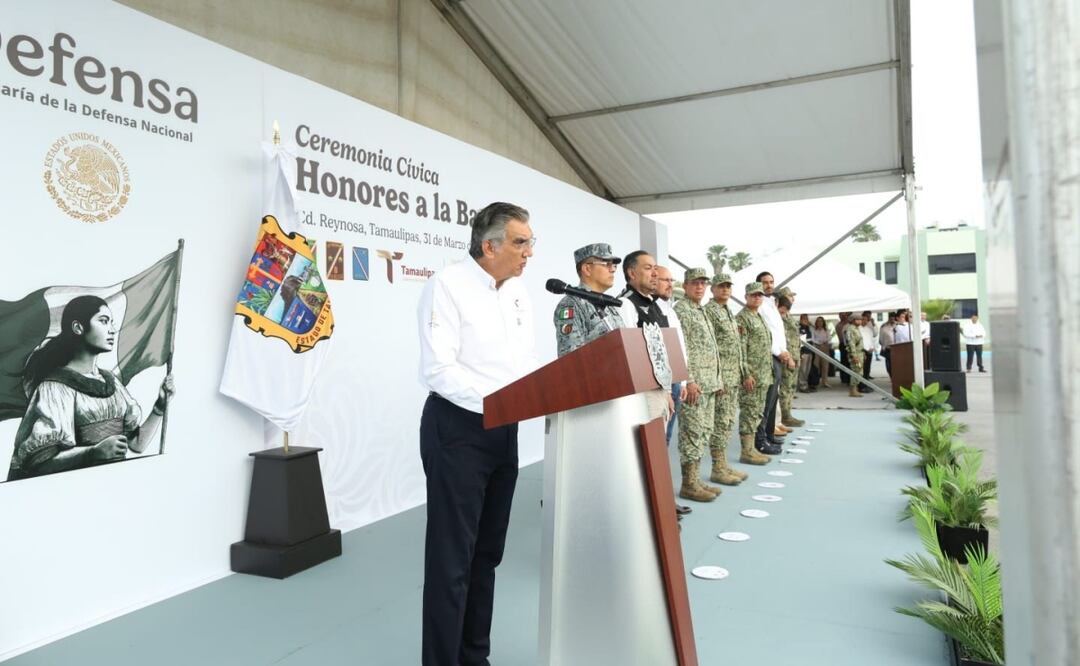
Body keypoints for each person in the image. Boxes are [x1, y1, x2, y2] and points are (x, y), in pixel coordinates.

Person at [416, 201, 538, 666]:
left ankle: (474, 657)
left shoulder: (519, 292)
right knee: (452, 561)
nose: (529, 252)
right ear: (489, 246)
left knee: (487, 554)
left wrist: (539, 395)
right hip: (458, 429)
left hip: (505, 431)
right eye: (520, 242)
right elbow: (438, 368)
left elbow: (522, 364)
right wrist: (499, 404)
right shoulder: (447, 285)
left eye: (531, 242)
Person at [7, 295, 176, 481]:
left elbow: (137, 444)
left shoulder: (110, 382)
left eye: (112, 322)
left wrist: (159, 407)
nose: (112, 330)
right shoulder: (55, 388)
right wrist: (93, 452)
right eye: (104, 321)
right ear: (78, 328)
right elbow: (39, 464)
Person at [673, 268, 724, 502]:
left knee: (704, 432)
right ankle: (689, 484)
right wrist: (689, 379)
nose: (700, 287)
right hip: (695, 385)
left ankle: (696, 480)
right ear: (685, 285)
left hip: (709, 383)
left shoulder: (700, 310)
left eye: (703, 283)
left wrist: (718, 379)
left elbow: (711, 348)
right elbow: (682, 349)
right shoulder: (682, 310)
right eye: (695, 283)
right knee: (692, 433)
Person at [704, 274, 759, 475]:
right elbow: (710, 348)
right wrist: (716, 378)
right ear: (713, 289)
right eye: (721, 286)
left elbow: (736, 346)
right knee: (720, 421)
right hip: (722, 378)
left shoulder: (727, 311)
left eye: (728, 286)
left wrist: (743, 373)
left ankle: (723, 464)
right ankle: (717, 467)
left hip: (733, 375)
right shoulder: (710, 311)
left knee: (727, 421)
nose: (725, 289)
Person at [617, 251, 675, 424]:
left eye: (655, 268)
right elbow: (629, 355)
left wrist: (666, 393)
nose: (655, 273)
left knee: (658, 446)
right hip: (642, 393)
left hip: (659, 389)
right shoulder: (625, 304)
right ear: (632, 273)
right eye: (648, 268)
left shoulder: (652, 304)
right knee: (646, 447)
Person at [553, 243, 624, 357]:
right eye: (607, 264)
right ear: (587, 269)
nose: (613, 270)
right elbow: (570, 357)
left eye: (614, 265)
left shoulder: (609, 305)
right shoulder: (571, 304)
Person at [736, 282, 778, 458]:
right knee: (749, 412)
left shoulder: (758, 316)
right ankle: (747, 451)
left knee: (758, 412)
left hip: (764, 375)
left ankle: (752, 448)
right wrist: (746, 374)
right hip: (752, 376)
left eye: (760, 295)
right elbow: (740, 349)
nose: (757, 298)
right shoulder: (742, 318)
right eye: (753, 295)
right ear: (746, 297)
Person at [754, 272, 791, 451]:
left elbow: (778, 333)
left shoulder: (772, 304)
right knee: (766, 402)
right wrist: (780, 352)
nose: (769, 285)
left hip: (778, 356)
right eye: (765, 283)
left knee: (773, 399)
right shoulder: (760, 306)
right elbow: (766, 336)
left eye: (771, 282)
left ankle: (769, 435)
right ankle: (760, 441)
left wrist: (785, 352)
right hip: (769, 357)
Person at [654, 265, 688, 445]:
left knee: (666, 435)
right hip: (662, 382)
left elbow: (680, 346)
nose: (670, 285)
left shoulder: (670, 310)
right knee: (659, 437)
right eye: (665, 280)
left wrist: (682, 380)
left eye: (671, 280)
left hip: (675, 379)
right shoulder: (652, 310)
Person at [776, 289, 805, 428]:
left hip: (794, 354)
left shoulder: (787, 315)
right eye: (790, 296)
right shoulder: (780, 316)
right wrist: (790, 358)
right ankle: (784, 416)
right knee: (785, 388)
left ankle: (788, 413)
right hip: (787, 357)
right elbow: (784, 339)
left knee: (791, 387)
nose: (792, 298)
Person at [843, 312, 866, 398]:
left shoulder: (856, 329)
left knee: (859, 371)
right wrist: (854, 355)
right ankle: (853, 390)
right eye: (858, 319)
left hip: (860, 352)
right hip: (855, 353)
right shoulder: (851, 330)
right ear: (852, 320)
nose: (860, 321)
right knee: (856, 371)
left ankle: (855, 389)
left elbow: (859, 342)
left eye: (860, 319)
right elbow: (851, 343)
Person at [797, 313, 814, 392]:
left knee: (807, 370)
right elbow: (800, 342)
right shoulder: (799, 328)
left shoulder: (808, 328)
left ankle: (805, 384)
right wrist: (801, 353)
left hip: (809, 351)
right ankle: (802, 386)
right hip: (803, 352)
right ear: (801, 319)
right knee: (803, 370)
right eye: (804, 319)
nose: (806, 320)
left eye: (807, 319)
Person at [879, 312, 897, 376]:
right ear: (889, 318)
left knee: (896, 364)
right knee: (889, 365)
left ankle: (895, 377)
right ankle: (891, 375)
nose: (892, 319)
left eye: (893, 318)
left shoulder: (898, 325)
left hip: (898, 348)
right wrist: (883, 346)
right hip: (888, 348)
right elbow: (880, 339)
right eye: (891, 318)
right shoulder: (884, 326)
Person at [860, 311, 877, 381]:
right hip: (861, 350)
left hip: (869, 350)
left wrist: (872, 347)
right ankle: (862, 385)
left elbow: (871, 339)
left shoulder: (869, 329)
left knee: (867, 367)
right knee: (862, 368)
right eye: (863, 319)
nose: (865, 321)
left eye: (866, 320)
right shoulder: (857, 329)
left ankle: (867, 382)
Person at [835, 312, 851, 385]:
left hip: (849, 344)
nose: (843, 316)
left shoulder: (849, 324)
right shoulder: (839, 325)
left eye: (845, 315)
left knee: (849, 362)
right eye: (841, 315)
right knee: (844, 361)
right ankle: (844, 378)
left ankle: (849, 377)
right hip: (843, 344)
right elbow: (841, 336)